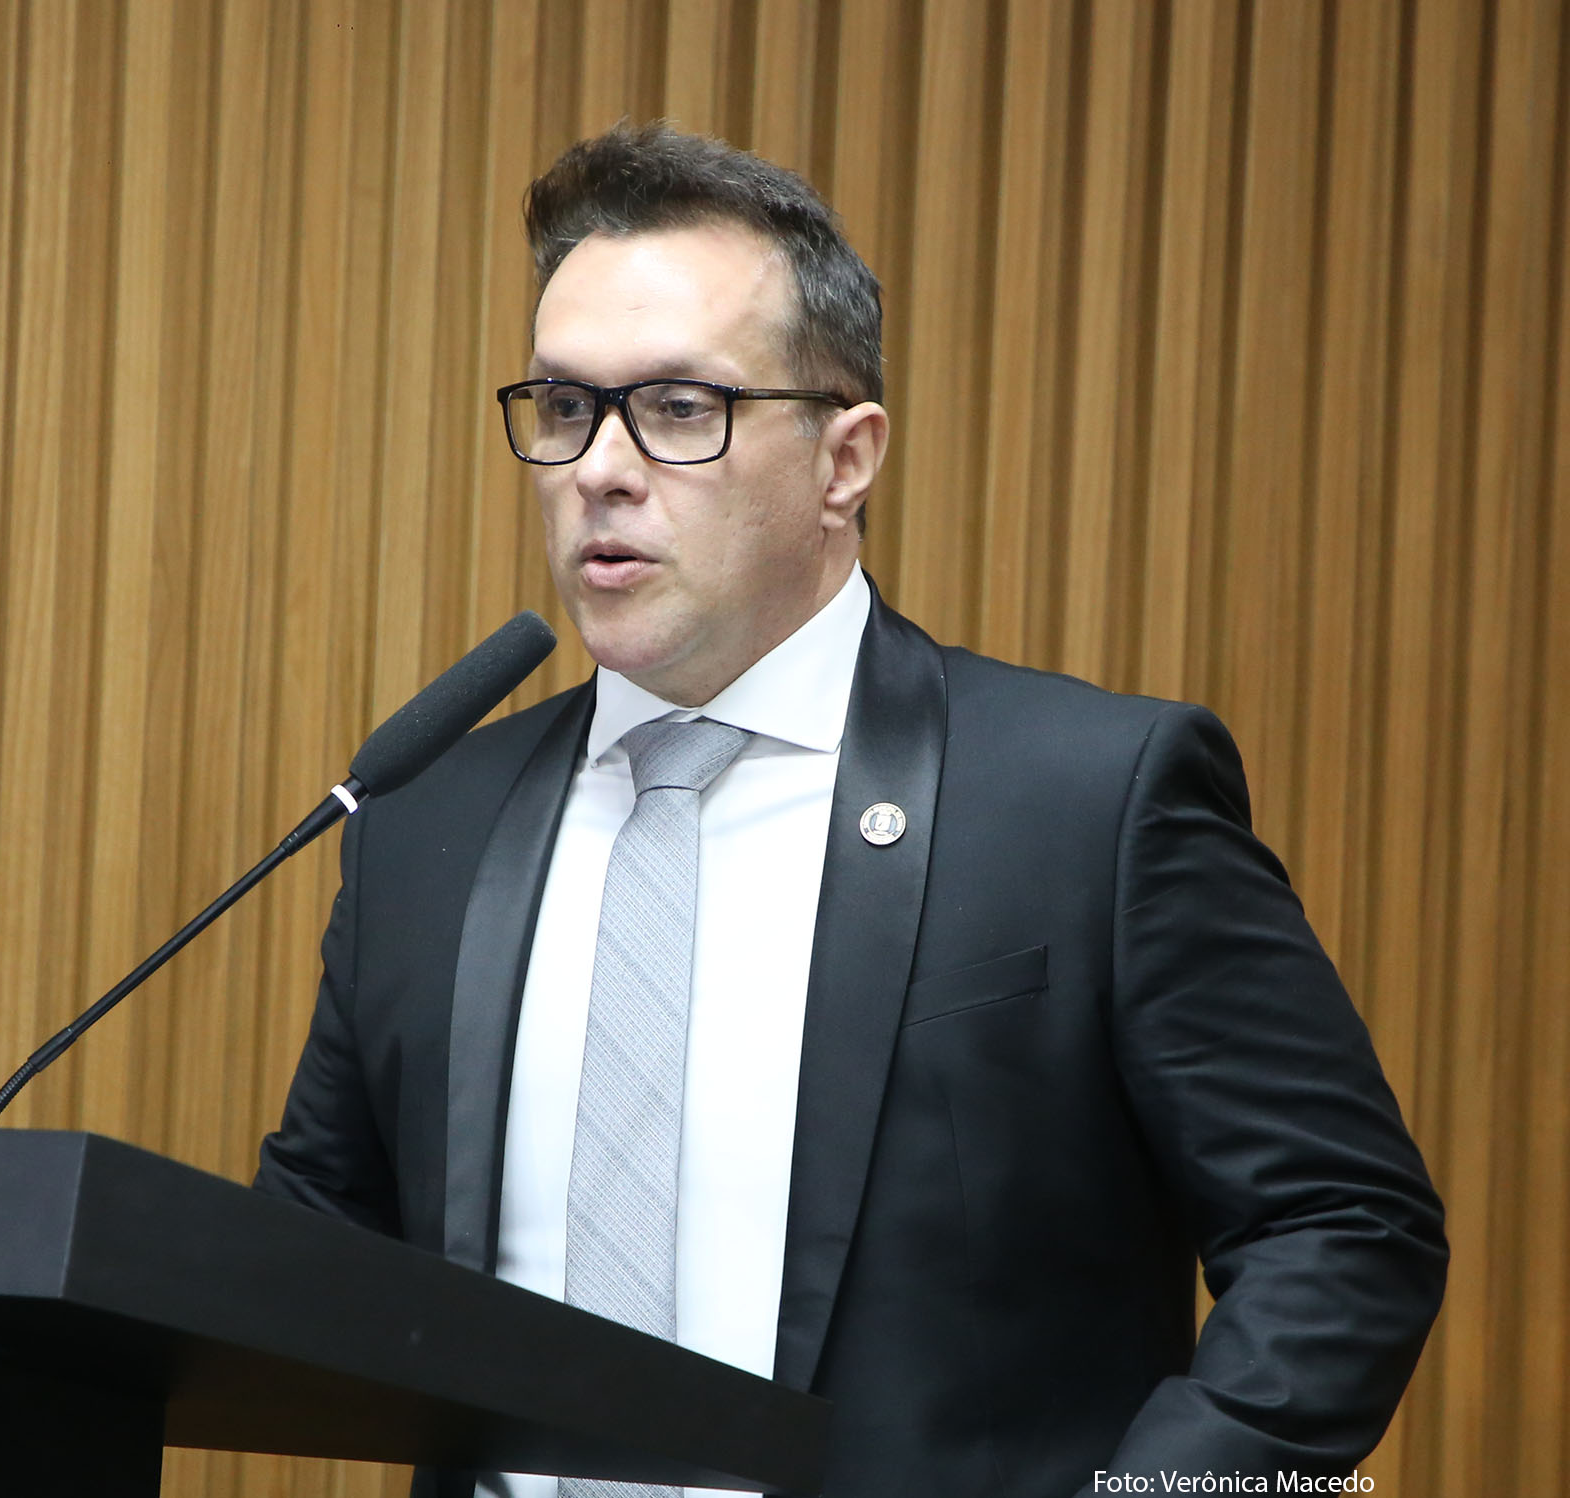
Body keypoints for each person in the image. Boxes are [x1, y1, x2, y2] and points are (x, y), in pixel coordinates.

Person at [254, 123, 1445, 1498]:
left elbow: (1342, 1228)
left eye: (679, 408)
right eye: (567, 407)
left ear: (845, 459)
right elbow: (304, 1259)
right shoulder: (426, 825)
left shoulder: (1083, 802)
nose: (599, 468)